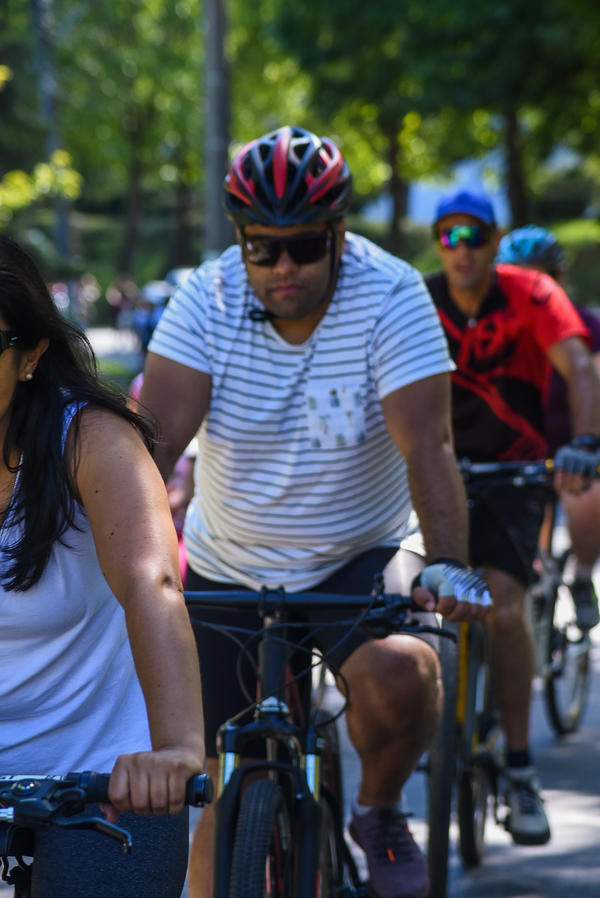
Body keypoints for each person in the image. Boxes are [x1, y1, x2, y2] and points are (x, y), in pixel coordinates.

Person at [139, 125, 490, 898]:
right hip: (229, 562)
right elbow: (155, 445)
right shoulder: (206, 296)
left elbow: (427, 445)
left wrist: (449, 563)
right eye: (261, 248)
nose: (283, 267)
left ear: (337, 234)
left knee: (403, 674)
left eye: (303, 245)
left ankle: (378, 808)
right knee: (210, 793)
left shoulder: (393, 293)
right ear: (240, 241)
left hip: (357, 553)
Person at [0, 234, 205, 897]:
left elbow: (154, 582)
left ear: (31, 355)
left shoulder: (89, 438)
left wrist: (175, 749)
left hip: (104, 778)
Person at [425, 190, 600, 848]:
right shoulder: (418, 299)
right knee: (403, 608)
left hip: (514, 471)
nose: (461, 248)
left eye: (473, 234)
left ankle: (521, 767)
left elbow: (579, 367)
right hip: (430, 467)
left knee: (502, 606)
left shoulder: (532, 294)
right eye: (448, 236)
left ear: (495, 240)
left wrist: (583, 441)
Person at [496, 224, 600, 629]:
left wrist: (588, 444)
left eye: (541, 275)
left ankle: (580, 576)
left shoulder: (586, 328)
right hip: (516, 453)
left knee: (589, 499)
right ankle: (536, 577)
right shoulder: (494, 329)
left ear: (559, 278)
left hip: (573, 450)